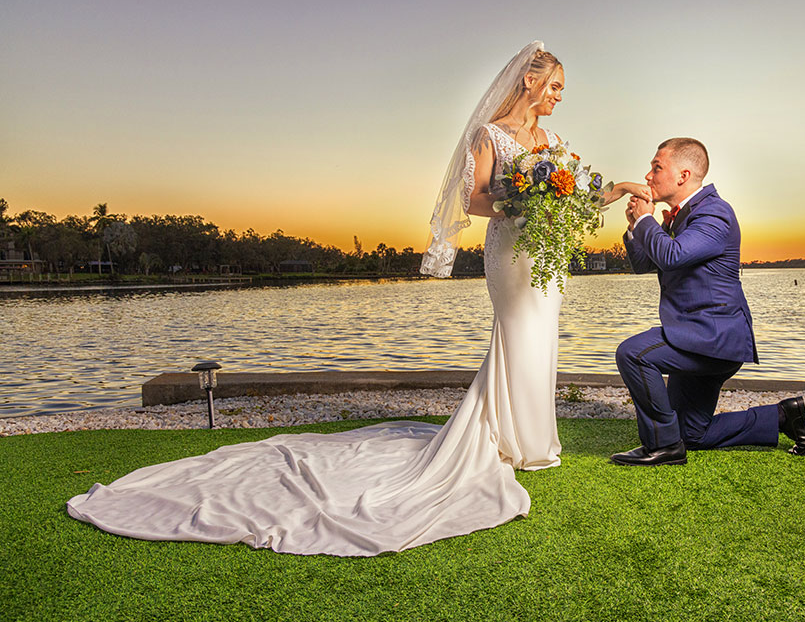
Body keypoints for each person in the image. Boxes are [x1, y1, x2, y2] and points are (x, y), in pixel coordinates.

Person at [66, 41, 640, 557]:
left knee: (540, 340)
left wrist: (600, 193)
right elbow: (476, 201)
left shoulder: (555, 143)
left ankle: (531, 439)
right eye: (556, 86)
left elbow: (574, 196)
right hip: (509, 253)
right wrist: (524, 204)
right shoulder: (489, 135)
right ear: (530, 82)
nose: (561, 97)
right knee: (515, 335)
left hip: (545, 254)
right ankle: (505, 440)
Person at [611, 138, 805, 466]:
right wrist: (637, 225)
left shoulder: (714, 212)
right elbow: (644, 264)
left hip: (712, 339)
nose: (648, 176)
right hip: (694, 335)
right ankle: (781, 416)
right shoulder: (679, 216)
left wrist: (648, 220)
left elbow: (672, 255)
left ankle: (663, 447)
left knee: (633, 354)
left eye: (656, 167)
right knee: (693, 433)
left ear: (683, 175)